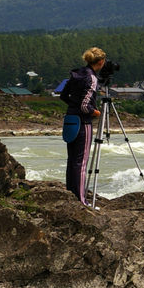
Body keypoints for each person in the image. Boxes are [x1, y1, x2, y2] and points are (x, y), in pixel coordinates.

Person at [59, 47, 106, 205]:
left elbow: (63, 95)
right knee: (81, 162)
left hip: (70, 120)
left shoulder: (76, 74)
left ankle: (70, 195)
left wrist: (73, 105)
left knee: (72, 160)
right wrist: (96, 112)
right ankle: (81, 200)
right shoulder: (91, 78)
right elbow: (85, 106)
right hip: (82, 123)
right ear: (100, 62)